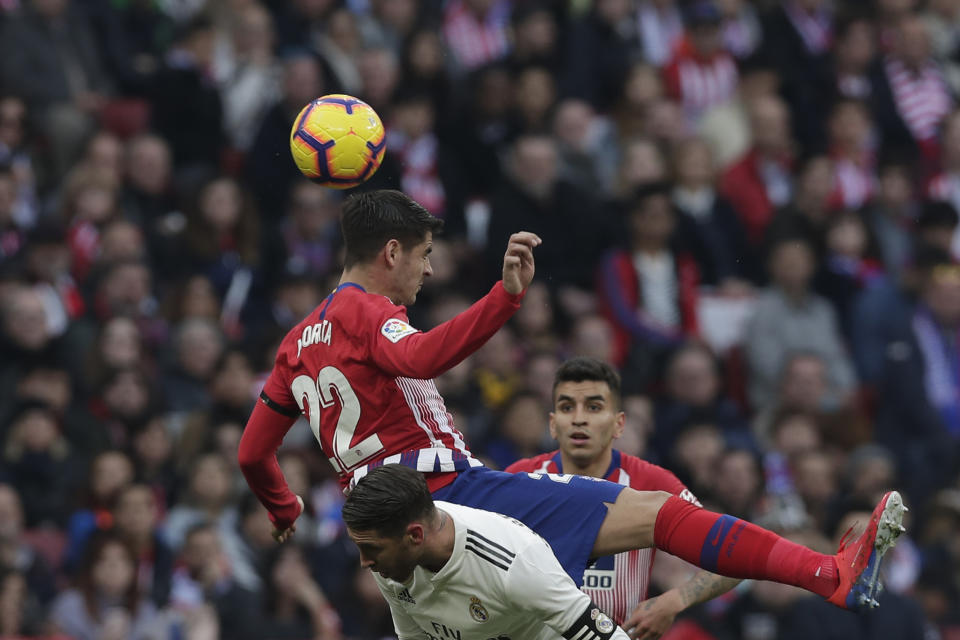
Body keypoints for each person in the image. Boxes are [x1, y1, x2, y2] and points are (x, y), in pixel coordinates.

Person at [238, 189, 904, 614]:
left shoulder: (297, 343)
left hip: (395, 542)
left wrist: (284, 506)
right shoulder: (364, 311)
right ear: (391, 251)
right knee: (660, 514)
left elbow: (253, 453)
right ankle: (828, 573)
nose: (430, 270)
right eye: (425, 255)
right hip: (446, 499)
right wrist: (505, 298)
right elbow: (419, 358)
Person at [505, 357, 740, 639]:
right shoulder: (519, 479)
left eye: (594, 407)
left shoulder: (653, 483)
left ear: (618, 424)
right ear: (553, 424)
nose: (580, 419)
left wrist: (676, 599)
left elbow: (732, 556)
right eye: (567, 407)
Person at [343, 463, 633, 640]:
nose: (365, 562)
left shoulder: (514, 564)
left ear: (415, 536)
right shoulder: (391, 559)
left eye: (370, 549)